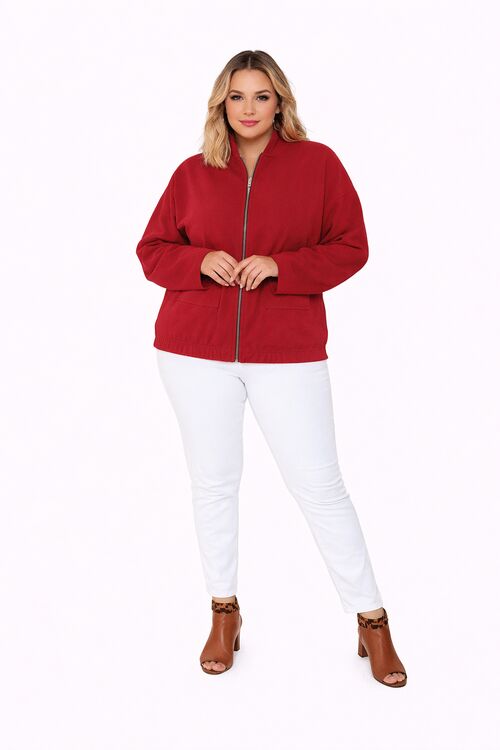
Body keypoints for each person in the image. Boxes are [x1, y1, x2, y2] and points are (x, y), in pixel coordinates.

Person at [136, 50, 407, 687]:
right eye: (237, 96)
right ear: (221, 103)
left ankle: (372, 620)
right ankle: (223, 612)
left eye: (261, 96)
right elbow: (151, 250)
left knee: (320, 486)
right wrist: (198, 261)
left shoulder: (318, 165)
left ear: (280, 101)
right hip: (192, 350)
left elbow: (352, 246)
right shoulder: (193, 172)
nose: (249, 109)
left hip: (286, 351)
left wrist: (284, 266)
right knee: (213, 484)